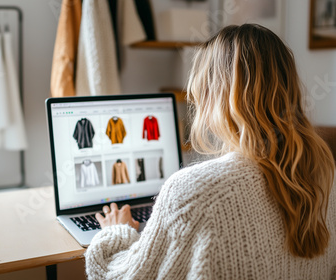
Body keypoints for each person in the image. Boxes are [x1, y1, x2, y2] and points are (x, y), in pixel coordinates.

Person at [85, 24, 336, 279]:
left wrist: (115, 233)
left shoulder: (194, 192)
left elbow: (121, 277)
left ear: (214, 95)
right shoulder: (326, 175)